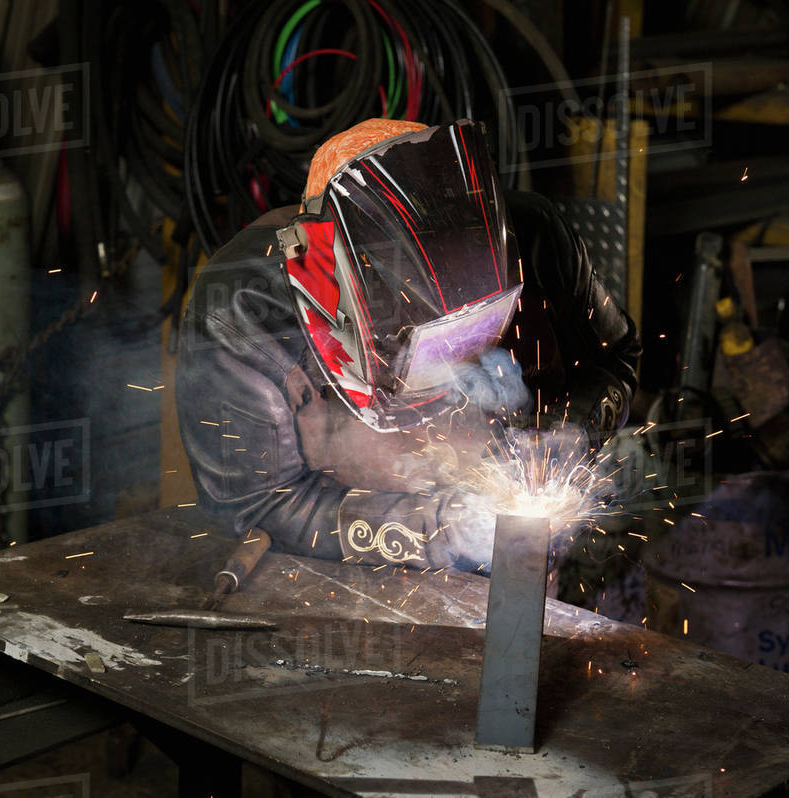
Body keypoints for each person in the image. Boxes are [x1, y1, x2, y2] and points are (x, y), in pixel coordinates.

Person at [176, 118, 640, 573]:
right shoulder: (240, 310)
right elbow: (256, 507)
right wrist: (441, 529)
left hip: (521, 576)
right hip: (334, 596)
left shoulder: (536, 237)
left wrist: (575, 429)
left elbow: (619, 356)